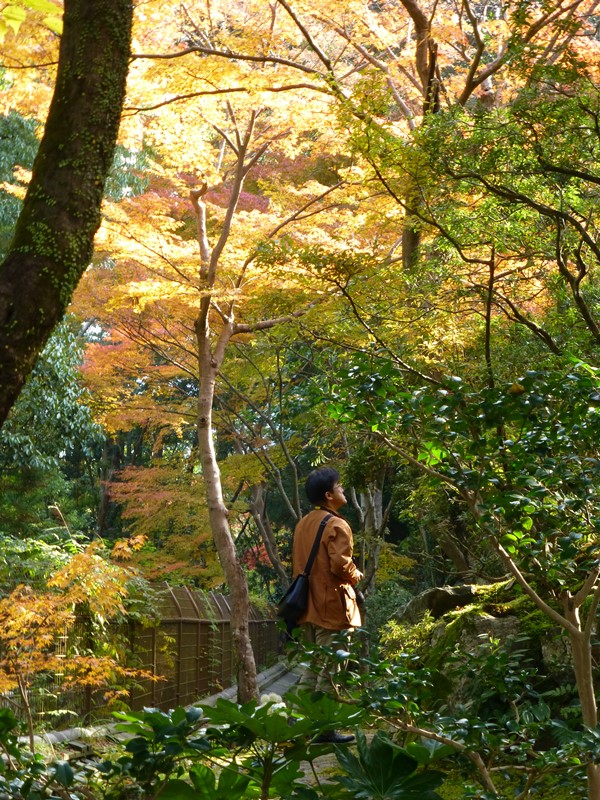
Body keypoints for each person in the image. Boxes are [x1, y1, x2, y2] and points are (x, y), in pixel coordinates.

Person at [292, 466, 363, 744]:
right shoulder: (336, 524)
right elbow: (340, 564)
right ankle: (323, 728)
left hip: (306, 605)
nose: (343, 490)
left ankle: (298, 724)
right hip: (332, 605)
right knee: (332, 666)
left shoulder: (303, 523)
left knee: (312, 665)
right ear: (328, 495)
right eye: (340, 487)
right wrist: (356, 574)